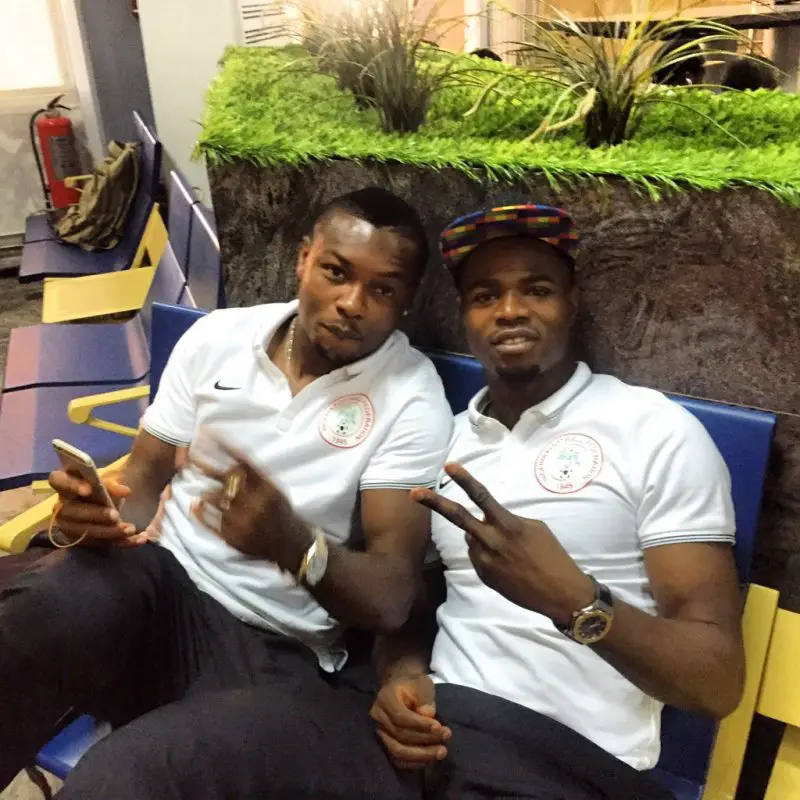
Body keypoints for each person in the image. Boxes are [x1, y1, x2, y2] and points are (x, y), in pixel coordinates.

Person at [0, 187, 452, 798]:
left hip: (269, 646)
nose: (352, 303)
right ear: (303, 260)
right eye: (336, 272)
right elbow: (142, 481)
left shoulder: (411, 397)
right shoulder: (220, 337)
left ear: (406, 301)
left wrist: (294, 545)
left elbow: (392, 598)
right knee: (42, 612)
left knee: (129, 779)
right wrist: (93, 515)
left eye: (383, 290)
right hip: (162, 587)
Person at [369, 205, 745, 798]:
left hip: (572, 764)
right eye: (485, 296)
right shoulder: (446, 442)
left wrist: (574, 601)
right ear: (465, 316)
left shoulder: (652, 430)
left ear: (573, 302)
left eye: (537, 290)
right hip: (446, 736)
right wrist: (402, 676)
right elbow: (414, 602)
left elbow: (717, 681)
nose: (510, 310)